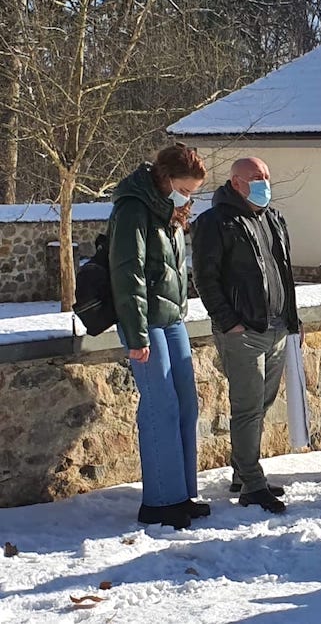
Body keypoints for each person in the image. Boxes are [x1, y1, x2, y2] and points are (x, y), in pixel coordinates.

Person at [192, 157, 301, 514]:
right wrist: (229, 322)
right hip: (243, 331)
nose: (264, 182)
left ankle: (244, 472)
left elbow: (284, 271)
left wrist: (291, 319)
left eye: (267, 176)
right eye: (256, 177)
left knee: (261, 405)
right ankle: (252, 485)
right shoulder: (215, 222)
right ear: (236, 182)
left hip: (276, 327)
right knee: (247, 407)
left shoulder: (274, 217)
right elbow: (205, 278)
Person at [109, 143, 208, 530]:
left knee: (186, 403)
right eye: (186, 187)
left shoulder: (170, 211)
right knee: (159, 405)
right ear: (166, 179)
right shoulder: (134, 208)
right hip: (145, 321)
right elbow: (127, 272)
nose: (190, 195)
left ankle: (182, 493)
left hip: (171, 318)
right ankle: (160, 502)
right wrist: (136, 335)